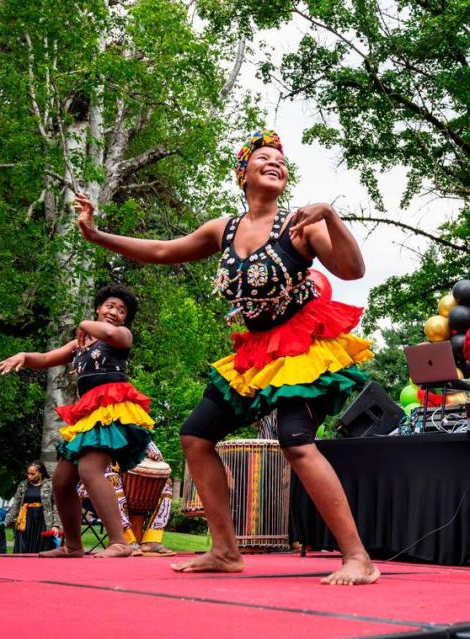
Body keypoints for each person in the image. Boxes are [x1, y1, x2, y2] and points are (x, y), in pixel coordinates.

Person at [73, 129, 378, 584]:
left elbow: (353, 269)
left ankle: (358, 558)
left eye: (280, 159)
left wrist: (331, 215)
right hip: (255, 354)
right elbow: (161, 250)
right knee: (196, 437)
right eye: (264, 158)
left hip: (303, 347)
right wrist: (98, 236)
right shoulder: (224, 228)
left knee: (295, 441)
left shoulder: (301, 225)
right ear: (244, 174)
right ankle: (225, 550)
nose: (275, 162)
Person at [0, 285, 153, 558]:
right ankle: (73, 546)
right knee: (61, 480)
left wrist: (83, 323)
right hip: (86, 412)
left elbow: (110, 333)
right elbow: (45, 358)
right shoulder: (78, 344)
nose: (115, 312)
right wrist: (24, 356)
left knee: (90, 470)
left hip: (111, 408)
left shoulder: (121, 335)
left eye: (121, 310)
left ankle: (120, 542)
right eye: (110, 306)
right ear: (98, 308)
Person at [76, 442, 175, 556]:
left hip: (131, 492)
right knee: (112, 478)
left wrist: (154, 456)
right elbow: (103, 467)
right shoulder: (102, 432)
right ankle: (126, 539)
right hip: (95, 491)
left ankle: (152, 539)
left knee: (165, 483)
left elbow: (158, 456)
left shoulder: (136, 431)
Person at [3, 462, 59, 553]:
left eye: (33, 474)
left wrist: (56, 525)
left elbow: (56, 506)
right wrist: (5, 522)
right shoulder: (23, 485)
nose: (29, 476)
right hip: (25, 523)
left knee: (41, 551)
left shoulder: (49, 485)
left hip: (43, 522)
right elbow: (15, 506)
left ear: (40, 473)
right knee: (23, 550)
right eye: (28, 473)